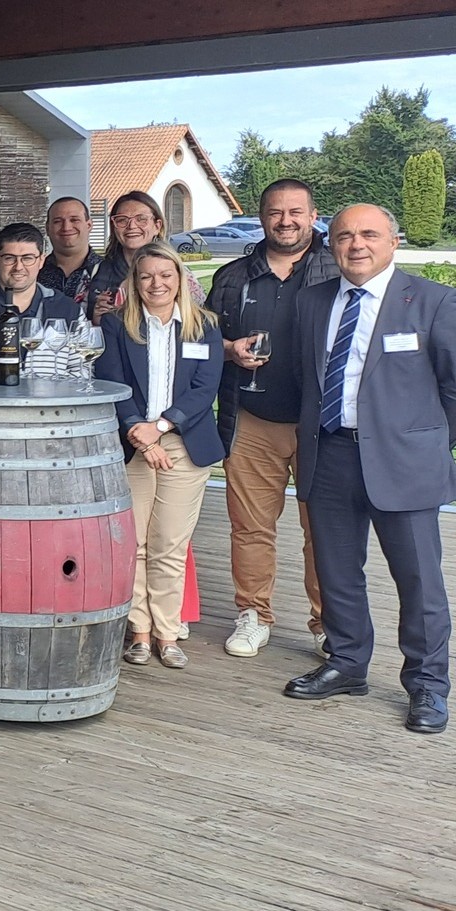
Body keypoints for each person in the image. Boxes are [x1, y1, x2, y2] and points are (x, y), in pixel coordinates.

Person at [284, 204, 456, 734]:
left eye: (369, 234)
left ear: (393, 241)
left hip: (403, 463)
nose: (356, 245)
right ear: (330, 244)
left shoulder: (432, 301)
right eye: (344, 236)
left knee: (419, 580)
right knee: (336, 570)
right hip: (331, 453)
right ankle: (347, 663)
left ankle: (428, 686)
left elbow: (452, 384)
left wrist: (430, 444)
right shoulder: (312, 302)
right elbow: (302, 378)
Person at [205, 178, 336, 659]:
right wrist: (227, 350)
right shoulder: (234, 276)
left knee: (322, 527)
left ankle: (328, 624)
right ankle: (253, 615)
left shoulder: (337, 271)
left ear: (313, 213)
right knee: (251, 527)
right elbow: (200, 341)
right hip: (252, 417)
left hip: (321, 424)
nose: (286, 221)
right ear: (262, 218)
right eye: (276, 212)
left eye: (295, 212)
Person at [93, 240, 224, 671]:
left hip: (184, 443)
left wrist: (161, 427)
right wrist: (141, 435)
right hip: (133, 445)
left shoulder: (203, 325)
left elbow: (205, 389)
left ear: (181, 279)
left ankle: (168, 634)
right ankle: (140, 632)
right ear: (134, 281)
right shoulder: (117, 325)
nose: (156, 283)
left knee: (170, 543)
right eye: (146, 276)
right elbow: (110, 382)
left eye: (166, 275)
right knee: (134, 542)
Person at [88, 190, 202, 323]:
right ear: (114, 227)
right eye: (122, 220)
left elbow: (198, 322)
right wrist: (97, 319)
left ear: (157, 226)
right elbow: (81, 328)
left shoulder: (180, 274)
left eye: (141, 219)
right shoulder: (95, 272)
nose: (131, 226)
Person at [0, 223, 84, 335]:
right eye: (9, 258)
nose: (18, 267)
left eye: (27, 258)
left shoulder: (69, 310)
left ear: (41, 261)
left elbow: (82, 352)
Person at [40, 196, 102, 306]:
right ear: (47, 229)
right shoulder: (34, 271)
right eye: (57, 221)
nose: (66, 227)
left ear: (89, 225)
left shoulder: (108, 270)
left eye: (74, 220)